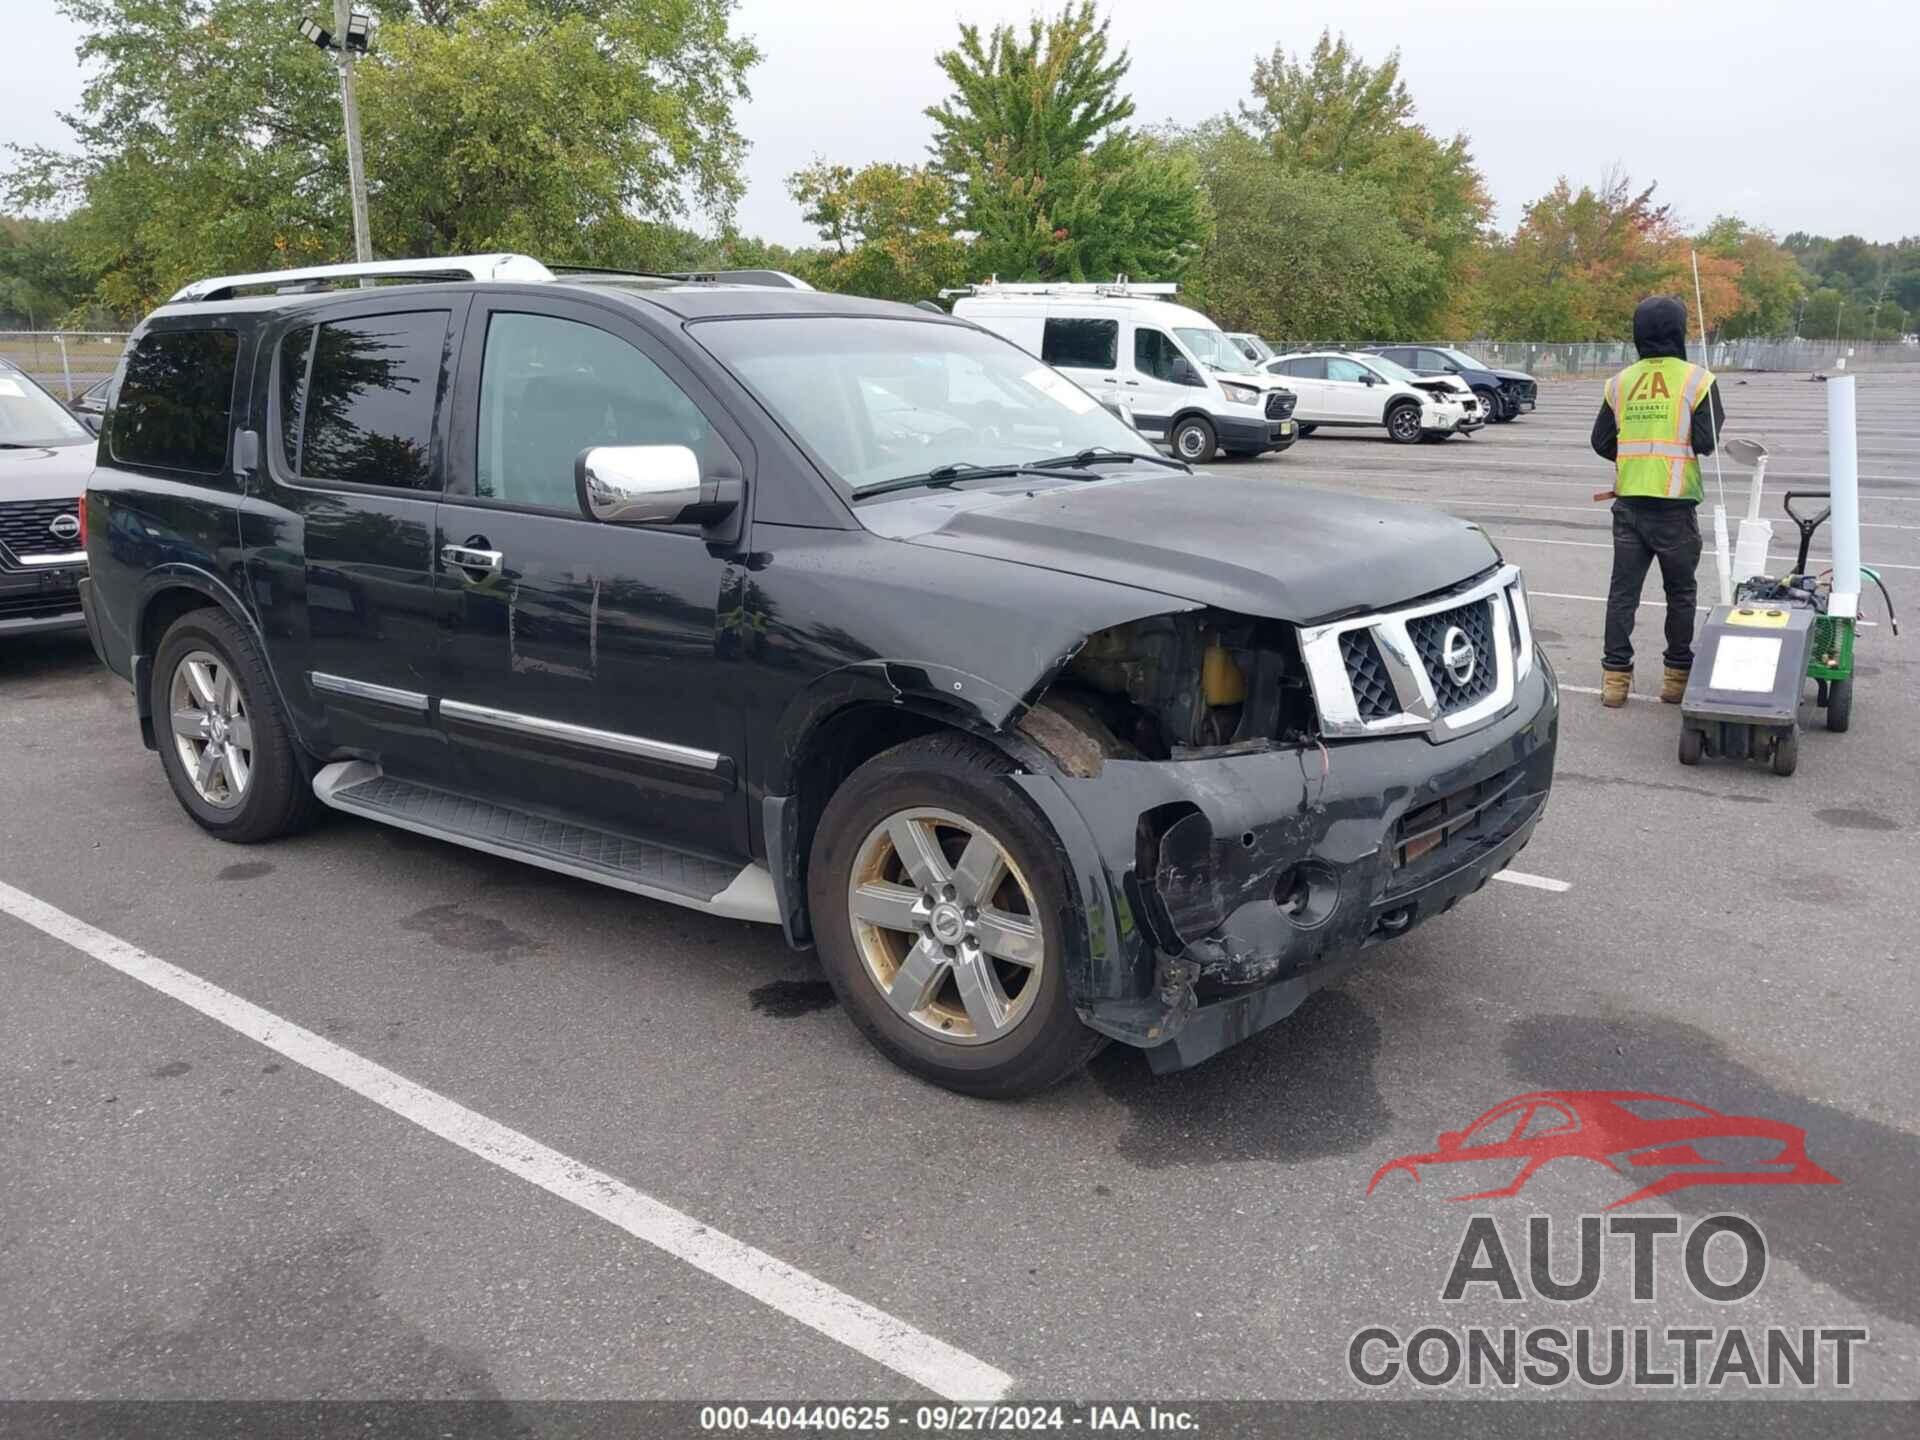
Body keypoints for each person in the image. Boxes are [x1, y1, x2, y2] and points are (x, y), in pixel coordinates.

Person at [1591, 295, 1727, 707]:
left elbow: (1600, 441)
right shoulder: (1698, 381)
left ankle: (1615, 681)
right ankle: (1675, 679)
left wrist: (1636, 457)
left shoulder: (1620, 383)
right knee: (1681, 593)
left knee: (1623, 594)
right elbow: (1706, 442)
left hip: (1629, 505)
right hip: (1674, 505)